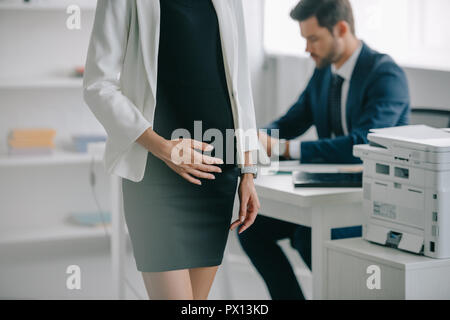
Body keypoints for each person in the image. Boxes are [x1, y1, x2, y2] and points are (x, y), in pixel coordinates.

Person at [83, 0, 260, 300]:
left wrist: (248, 172)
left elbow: (241, 86)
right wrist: (164, 148)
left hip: (216, 171)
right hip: (156, 173)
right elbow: (98, 85)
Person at [238, 0, 410, 299]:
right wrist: (255, 139)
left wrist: (285, 148)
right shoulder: (325, 72)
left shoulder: (385, 75)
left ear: (341, 28)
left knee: (309, 237)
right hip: (330, 196)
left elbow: (362, 143)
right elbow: (293, 120)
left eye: (313, 38)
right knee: (252, 226)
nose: (307, 48)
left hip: (371, 204)